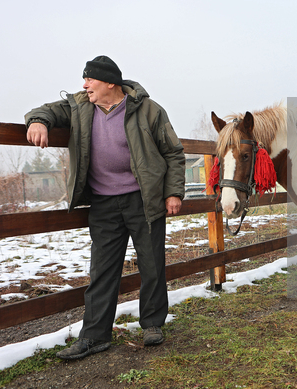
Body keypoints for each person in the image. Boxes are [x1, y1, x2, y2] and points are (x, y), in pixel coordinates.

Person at [25, 55, 185, 360]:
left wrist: (173, 192)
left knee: (152, 264)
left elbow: (173, 153)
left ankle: (152, 324)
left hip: (144, 198)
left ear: (110, 82)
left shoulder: (148, 109)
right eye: (84, 80)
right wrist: (38, 121)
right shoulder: (79, 106)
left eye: (90, 79)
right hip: (104, 203)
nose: (84, 85)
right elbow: (44, 110)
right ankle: (95, 336)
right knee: (102, 271)